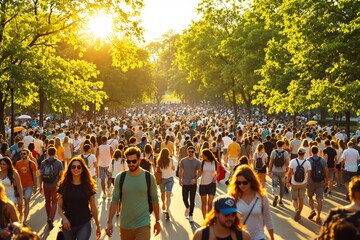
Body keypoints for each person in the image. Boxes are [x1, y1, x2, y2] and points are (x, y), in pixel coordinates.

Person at [105, 146, 161, 240]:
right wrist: (109, 221)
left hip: (143, 223)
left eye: (134, 161)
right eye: (128, 161)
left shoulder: (149, 177)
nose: (131, 164)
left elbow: (155, 200)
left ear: (139, 160)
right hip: (125, 225)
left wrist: (158, 221)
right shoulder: (120, 178)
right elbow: (114, 200)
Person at [57, 157, 101, 240]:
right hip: (68, 224)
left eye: (78, 167)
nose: (76, 169)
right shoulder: (64, 185)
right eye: (73, 167)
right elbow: (59, 206)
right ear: (70, 169)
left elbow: (93, 207)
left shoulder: (88, 186)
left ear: (82, 169)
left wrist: (98, 226)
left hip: (84, 223)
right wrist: (64, 218)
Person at [228, 165, 274, 240]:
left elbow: (268, 219)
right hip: (239, 237)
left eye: (245, 182)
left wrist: (272, 237)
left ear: (251, 181)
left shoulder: (261, 197)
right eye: (239, 183)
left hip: (258, 237)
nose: (241, 185)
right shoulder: (233, 198)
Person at [39, 146, 63, 229]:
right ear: (55, 153)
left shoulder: (43, 162)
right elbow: (61, 175)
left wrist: (40, 185)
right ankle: (51, 218)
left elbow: (40, 175)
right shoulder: (59, 163)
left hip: (46, 185)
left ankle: (48, 216)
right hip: (55, 185)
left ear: (48, 153)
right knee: (55, 202)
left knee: (47, 201)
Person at [286, 147, 312, 222]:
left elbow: (290, 172)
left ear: (297, 153)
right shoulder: (307, 163)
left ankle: (296, 209)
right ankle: (299, 214)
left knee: (294, 199)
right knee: (301, 199)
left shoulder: (293, 161)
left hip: (294, 183)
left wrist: (287, 181)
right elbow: (309, 174)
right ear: (304, 154)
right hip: (303, 183)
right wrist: (307, 182)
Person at [14, 149, 37, 224]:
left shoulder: (32, 164)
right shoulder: (18, 163)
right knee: (20, 203)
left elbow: (34, 176)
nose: (22, 155)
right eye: (21, 154)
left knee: (27, 201)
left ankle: (24, 220)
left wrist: (35, 186)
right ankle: (20, 215)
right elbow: (15, 174)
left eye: (24, 153)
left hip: (29, 185)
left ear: (27, 154)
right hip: (20, 186)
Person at [179, 146, 201, 223]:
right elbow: (180, 170)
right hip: (185, 182)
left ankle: (191, 215)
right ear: (187, 152)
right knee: (184, 198)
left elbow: (200, 172)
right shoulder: (183, 161)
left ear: (194, 152)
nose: (191, 153)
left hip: (193, 183)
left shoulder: (197, 162)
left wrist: (195, 179)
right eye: (189, 151)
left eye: (192, 152)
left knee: (192, 199)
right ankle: (188, 208)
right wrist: (180, 179)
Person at [307, 146, 328, 223]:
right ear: (318, 151)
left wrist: (307, 182)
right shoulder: (322, 160)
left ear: (311, 151)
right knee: (319, 199)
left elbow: (308, 173)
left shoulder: (308, 160)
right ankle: (318, 216)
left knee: (310, 196)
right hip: (320, 181)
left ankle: (312, 210)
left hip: (311, 181)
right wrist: (326, 180)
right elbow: (326, 171)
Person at [199, 149, 219, 219]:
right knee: (204, 203)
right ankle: (205, 219)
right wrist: (194, 179)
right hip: (203, 184)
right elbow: (199, 173)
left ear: (207, 155)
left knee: (210, 203)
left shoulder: (215, 162)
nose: (202, 156)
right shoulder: (202, 163)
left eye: (203, 155)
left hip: (212, 184)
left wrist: (215, 177)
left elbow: (218, 172)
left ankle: (208, 218)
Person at [269, 140, 290, 207]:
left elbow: (271, 162)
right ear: (283, 145)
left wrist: (269, 170)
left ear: (276, 145)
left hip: (275, 170)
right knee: (282, 186)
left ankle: (275, 195)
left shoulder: (274, 152)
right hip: (283, 171)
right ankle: (280, 201)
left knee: (274, 185)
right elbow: (287, 162)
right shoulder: (286, 152)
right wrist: (287, 170)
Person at [156, 148, 175, 220]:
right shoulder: (171, 160)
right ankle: (167, 209)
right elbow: (173, 169)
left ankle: (163, 203)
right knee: (168, 195)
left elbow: (157, 170)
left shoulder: (159, 161)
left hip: (162, 179)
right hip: (170, 179)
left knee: (162, 193)